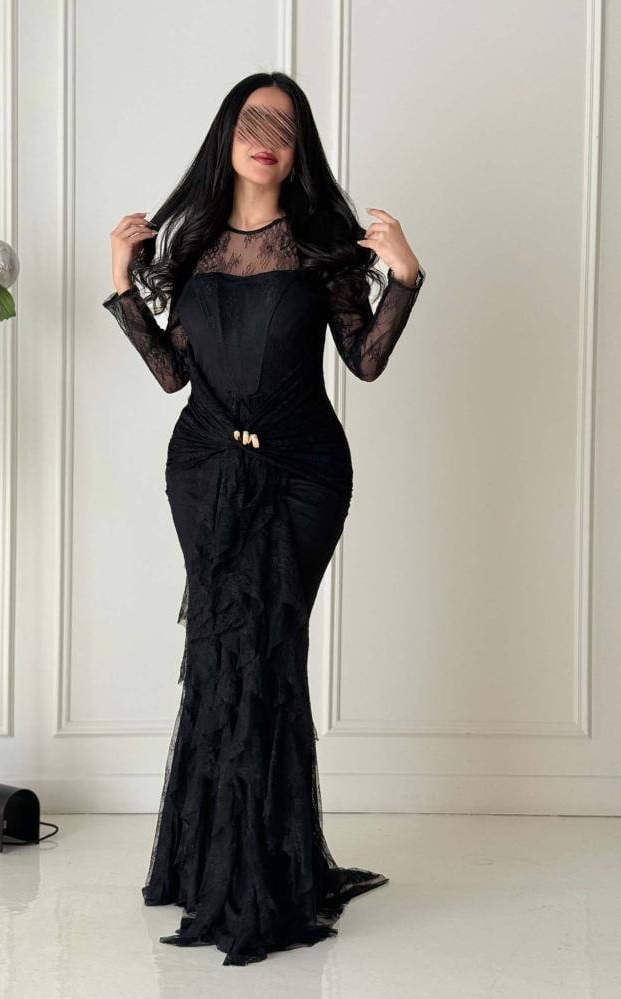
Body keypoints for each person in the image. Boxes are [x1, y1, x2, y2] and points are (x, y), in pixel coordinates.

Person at [102, 71, 426, 966]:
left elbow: (364, 360)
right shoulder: (192, 244)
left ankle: (266, 876)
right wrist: (123, 281)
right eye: (252, 120)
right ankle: (209, 864)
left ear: (297, 146)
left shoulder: (322, 245)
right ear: (227, 134)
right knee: (217, 652)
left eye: (283, 125)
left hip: (302, 476)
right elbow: (172, 373)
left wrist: (405, 276)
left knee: (269, 652)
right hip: (205, 470)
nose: (266, 137)